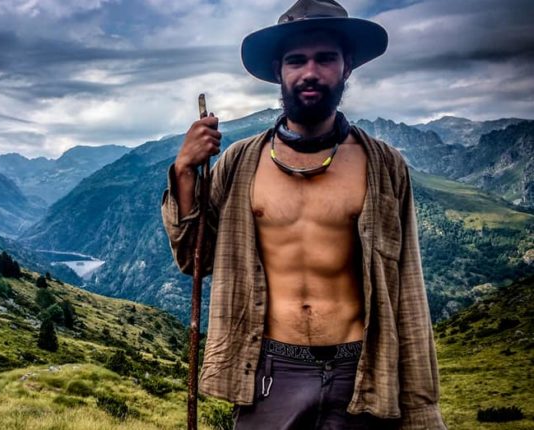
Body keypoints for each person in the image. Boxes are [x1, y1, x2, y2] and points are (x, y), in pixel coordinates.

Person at [161, 0, 446, 428]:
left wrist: (423, 410)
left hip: (360, 373)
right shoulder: (240, 163)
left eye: (325, 58)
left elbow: (407, 286)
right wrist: (185, 171)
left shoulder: (384, 165)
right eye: (296, 60)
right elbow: (193, 260)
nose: (310, 72)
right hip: (271, 372)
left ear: (346, 66)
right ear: (279, 70)